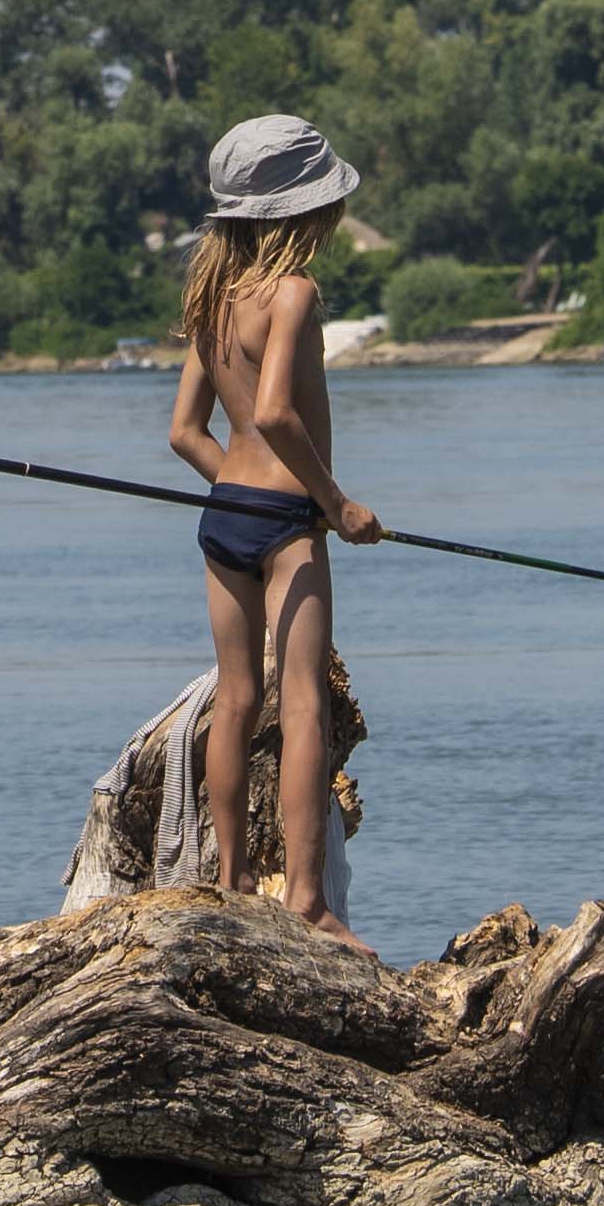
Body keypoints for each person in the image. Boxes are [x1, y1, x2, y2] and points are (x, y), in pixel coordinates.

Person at [162, 110, 392, 932]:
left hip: (225, 515)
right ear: (308, 210)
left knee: (234, 700)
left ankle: (227, 882)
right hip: (288, 522)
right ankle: (305, 899)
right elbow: (274, 414)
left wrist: (239, 490)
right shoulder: (292, 293)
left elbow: (184, 432)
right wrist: (334, 505)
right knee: (302, 708)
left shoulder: (212, 299)